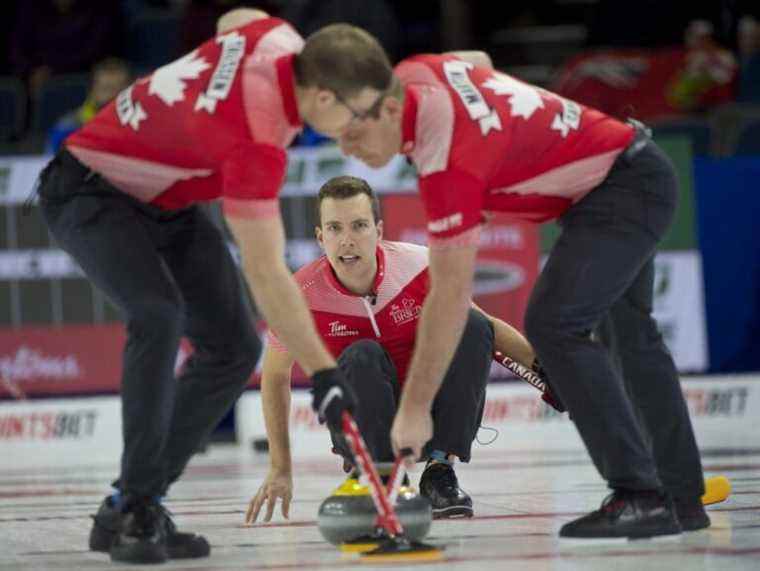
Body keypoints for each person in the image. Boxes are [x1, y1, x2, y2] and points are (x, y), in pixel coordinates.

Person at [35, 10, 398, 564]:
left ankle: (133, 502)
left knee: (234, 347)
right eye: (358, 111)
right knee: (156, 314)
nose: (358, 124)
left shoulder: (276, 37)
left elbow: (237, 16)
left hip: (168, 198)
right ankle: (135, 506)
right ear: (322, 97)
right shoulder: (257, 140)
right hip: (89, 186)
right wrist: (323, 370)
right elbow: (266, 270)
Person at [311, 47, 711, 541]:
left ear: (389, 109)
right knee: (633, 339)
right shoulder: (417, 71)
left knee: (554, 323)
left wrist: (414, 410)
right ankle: (680, 498)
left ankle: (638, 493)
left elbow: (452, 296)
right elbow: (474, 57)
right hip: (630, 169)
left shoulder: (446, 163)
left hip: (617, 189)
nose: (348, 148)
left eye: (353, 133)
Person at [244, 175, 551, 523]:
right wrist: (280, 468)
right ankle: (385, 477)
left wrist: (548, 373)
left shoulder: (419, 265)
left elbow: (486, 329)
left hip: (428, 416)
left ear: (378, 230)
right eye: (335, 228)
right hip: (360, 425)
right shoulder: (298, 295)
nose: (347, 240)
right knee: (363, 354)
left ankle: (440, 473)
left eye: (359, 226)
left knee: (470, 323)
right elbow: (274, 376)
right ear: (320, 237)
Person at [47, 58, 132, 152]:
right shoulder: (68, 127)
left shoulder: (139, 127)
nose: (112, 95)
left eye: (120, 89)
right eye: (106, 89)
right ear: (92, 90)